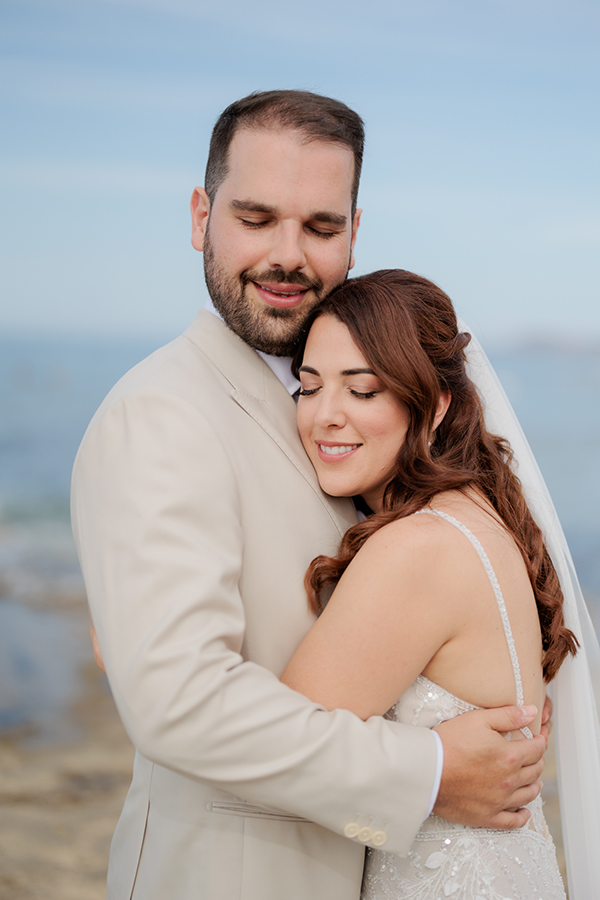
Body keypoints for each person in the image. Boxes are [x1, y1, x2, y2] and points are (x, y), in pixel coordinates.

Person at [72, 91, 549, 900]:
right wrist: (430, 771)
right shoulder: (159, 416)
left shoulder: (337, 421)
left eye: (321, 227)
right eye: (256, 219)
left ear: (354, 234)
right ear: (201, 217)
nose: (289, 254)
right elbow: (178, 704)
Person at [282, 268, 579, 897]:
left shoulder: (418, 547)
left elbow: (277, 750)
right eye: (308, 388)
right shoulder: (478, 514)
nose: (324, 417)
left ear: (435, 403)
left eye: (361, 391)